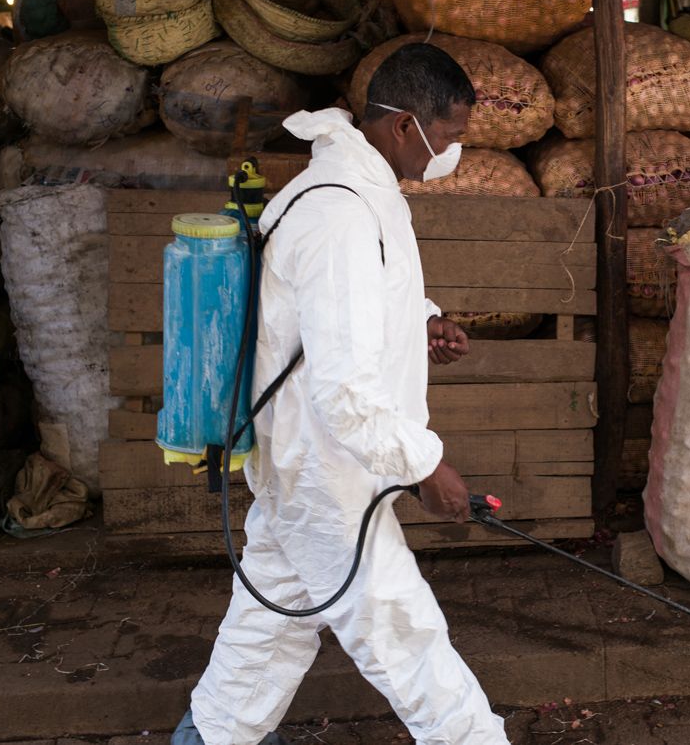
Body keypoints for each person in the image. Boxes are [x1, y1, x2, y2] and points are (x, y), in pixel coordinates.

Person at [172, 43, 510, 745]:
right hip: (324, 469)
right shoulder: (339, 212)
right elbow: (345, 391)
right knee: (405, 637)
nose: (450, 152)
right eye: (446, 136)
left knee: (265, 638)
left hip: (315, 464)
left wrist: (421, 325)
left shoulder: (362, 190)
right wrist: (424, 468)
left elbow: (347, 309)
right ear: (401, 125)